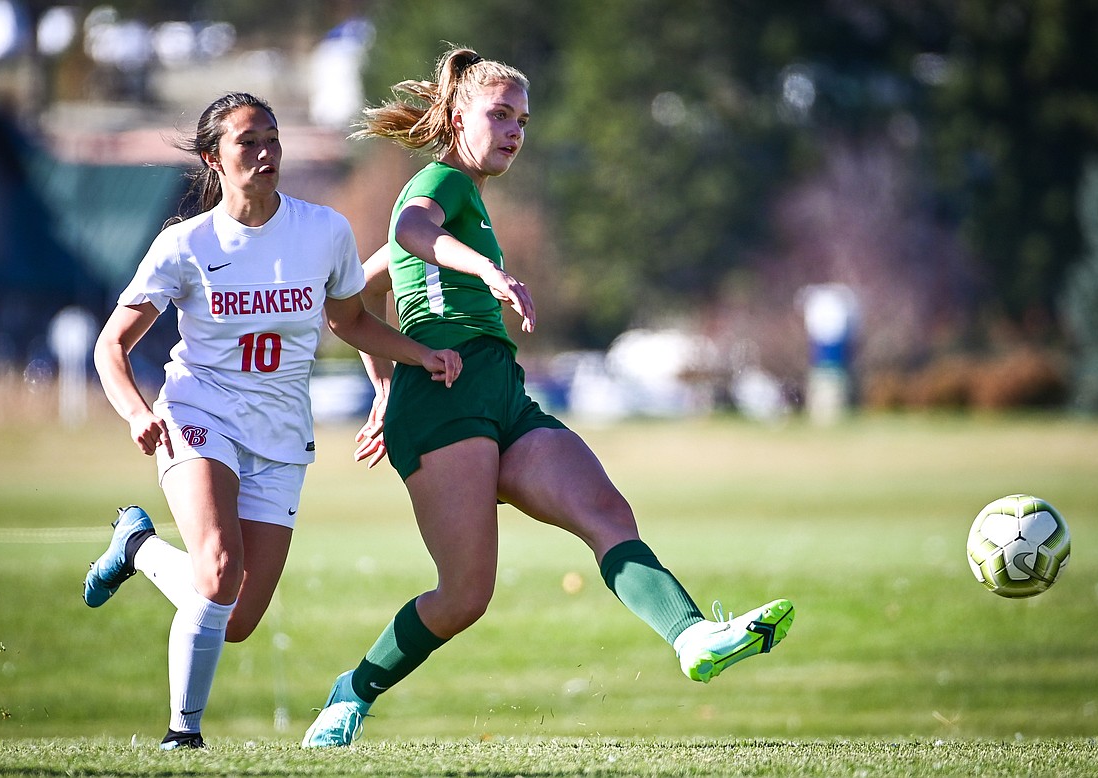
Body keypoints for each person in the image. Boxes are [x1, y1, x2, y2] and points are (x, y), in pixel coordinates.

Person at [301, 48, 795, 748]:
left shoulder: (463, 199)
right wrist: (484, 281)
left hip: (501, 393)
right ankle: (352, 692)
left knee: (606, 510)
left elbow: (361, 291)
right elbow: (412, 230)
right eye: (499, 115)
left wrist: (380, 387)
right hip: (444, 398)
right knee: (465, 595)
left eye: (523, 122)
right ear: (455, 116)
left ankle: (692, 637)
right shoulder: (442, 181)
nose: (512, 132)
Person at [84, 92, 462, 751]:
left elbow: (349, 321)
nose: (265, 153)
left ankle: (136, 547)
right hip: (199, 413)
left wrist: (417, 354)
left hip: (283, 433)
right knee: (219, 566)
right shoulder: (186, 244)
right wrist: (137, 413)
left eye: (273, 139)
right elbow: (110, 346)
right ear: (214, 159)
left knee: (232, 617)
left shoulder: (324, 231)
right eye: (247, 142)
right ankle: (183, 736)